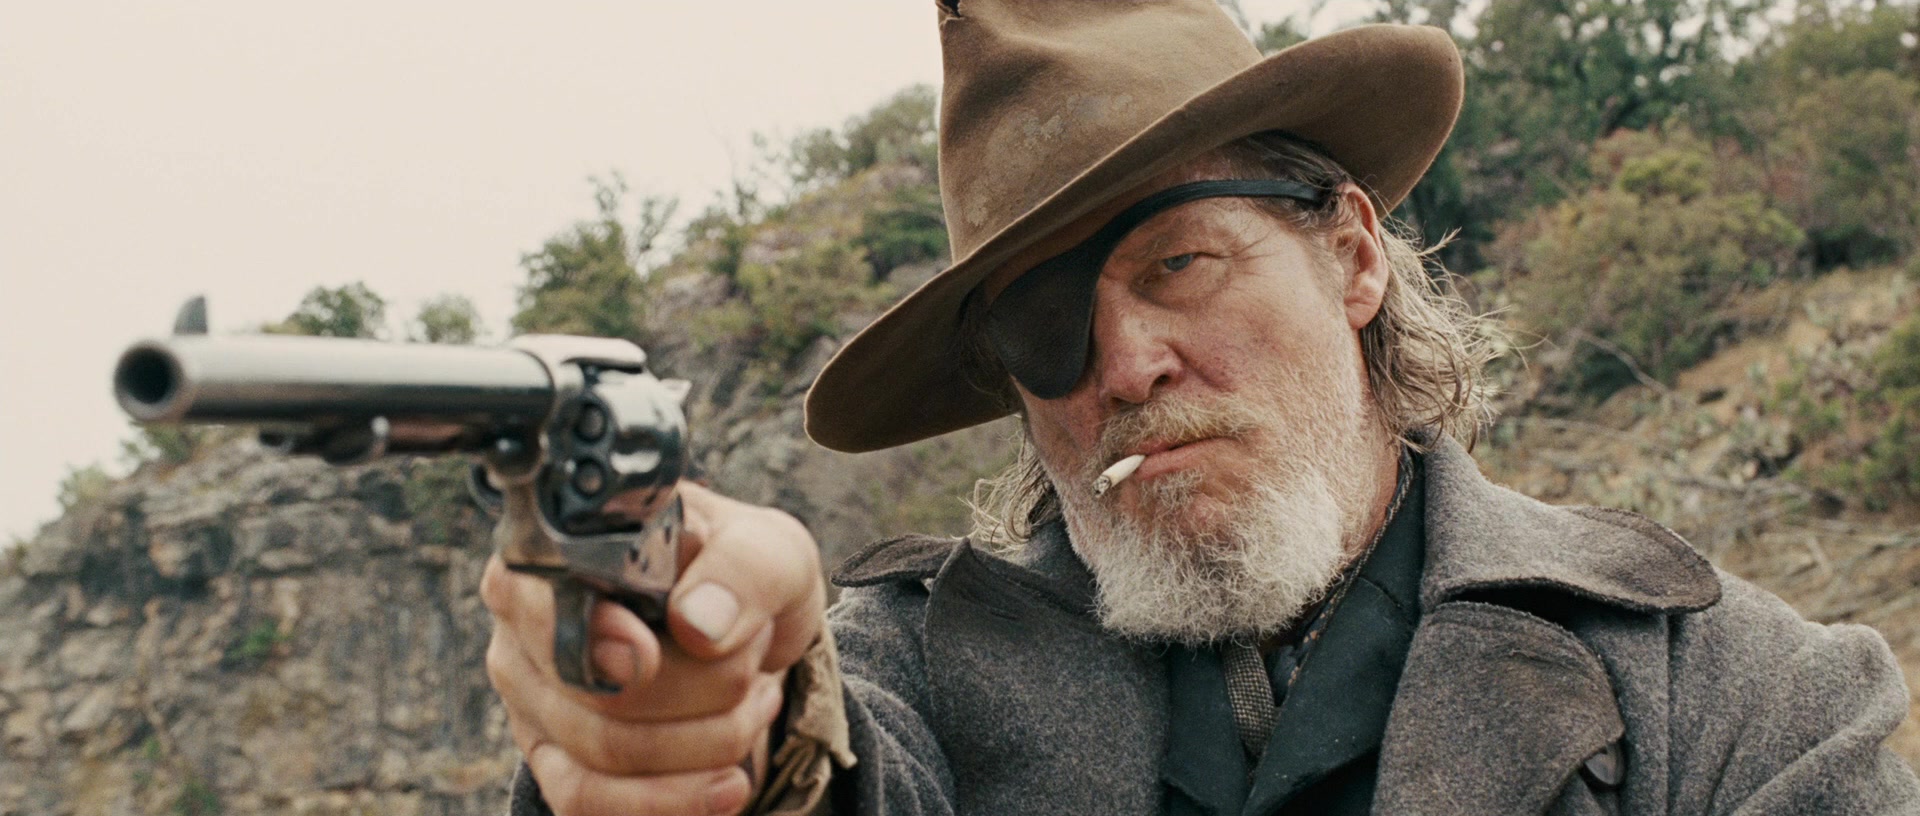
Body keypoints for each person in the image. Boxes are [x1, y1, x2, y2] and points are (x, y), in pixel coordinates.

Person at [483, 2, 1920, 814]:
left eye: (1180, 262)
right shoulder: (904, 683)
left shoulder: (1738, 694)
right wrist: (715, 716)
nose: (1126, 367)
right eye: (1047, 330)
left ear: (1352, 253)